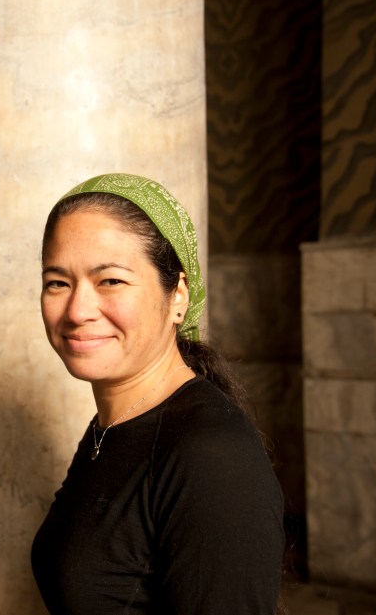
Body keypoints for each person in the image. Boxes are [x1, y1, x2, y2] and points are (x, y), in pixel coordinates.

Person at [31, 173, 284, 615]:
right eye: (58, 282)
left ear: (178, 296)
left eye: (111, 281)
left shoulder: (211, 455)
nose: (77, 310)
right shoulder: (112, 425)